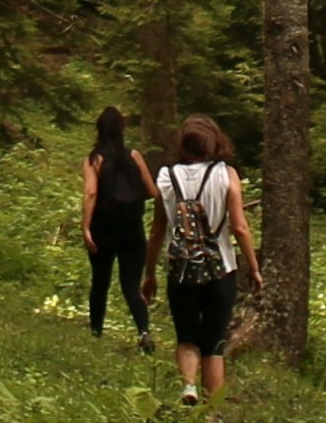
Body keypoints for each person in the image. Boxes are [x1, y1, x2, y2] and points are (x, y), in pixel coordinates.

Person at [150, 114, 252, 406]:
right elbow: (240, 227)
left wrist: (149, 273)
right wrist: (254, 268)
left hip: (180, 270)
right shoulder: (226, 174)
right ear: (214, 142)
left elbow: (157, 232)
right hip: (221, 269)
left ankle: (188, 385)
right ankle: (211, 418)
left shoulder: (166, 177)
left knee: (186, 335)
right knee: (215, 343)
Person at [76, 110, 156, 341]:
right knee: (131, 286)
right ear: (122, 130)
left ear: (99, 130)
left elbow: (91, 192)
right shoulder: (134, 156)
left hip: (104, 229)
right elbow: (152, 191)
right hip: (133, 230)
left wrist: (86, 226)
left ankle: (96, 333)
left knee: (100, 282)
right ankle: (143, 331)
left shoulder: (94, 159)